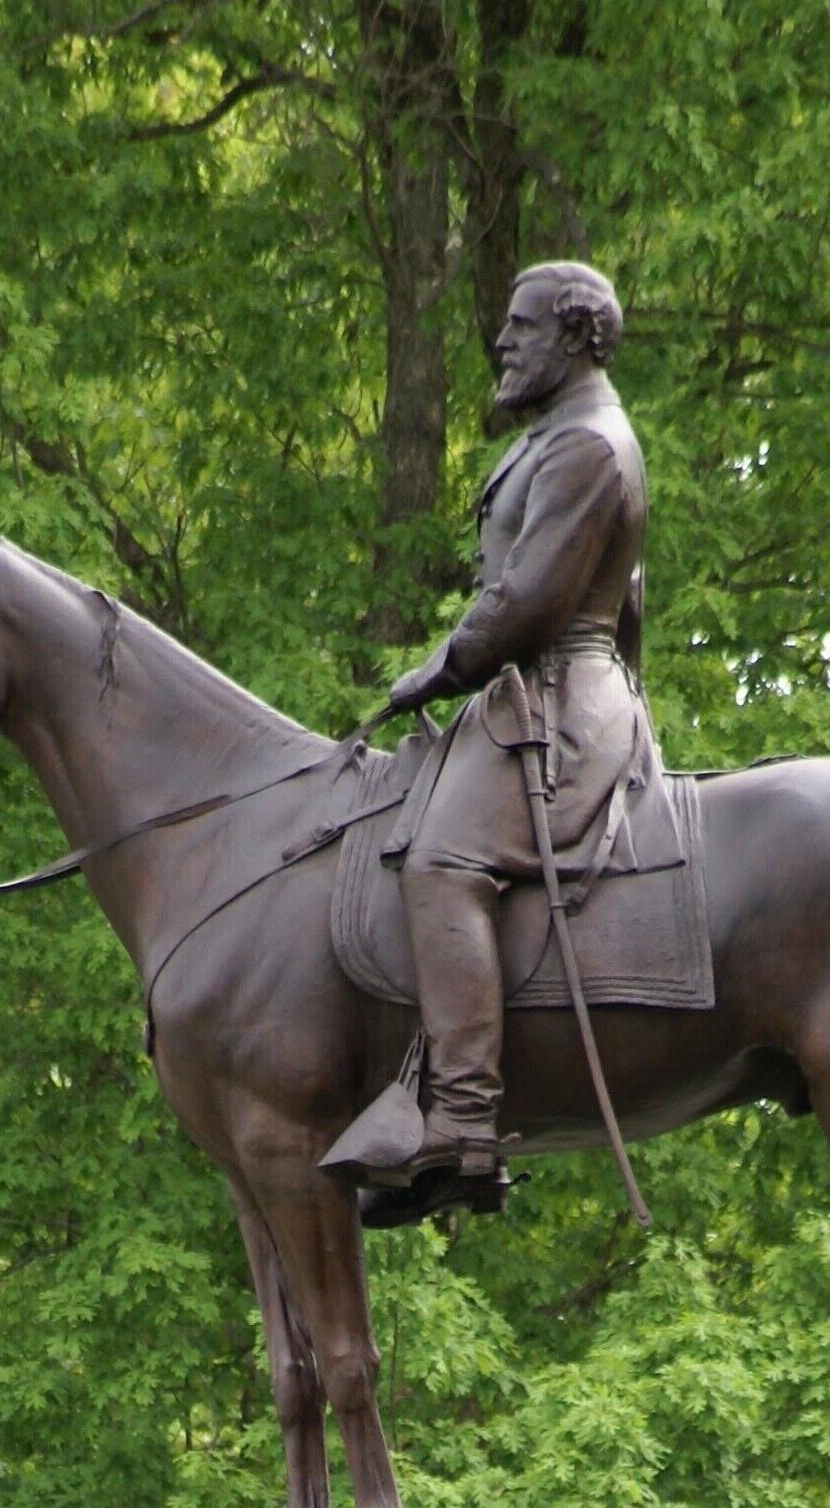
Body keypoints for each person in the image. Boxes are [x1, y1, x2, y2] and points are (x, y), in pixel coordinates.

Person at [328, 259, 649, 1218]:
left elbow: (532, 599)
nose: (502, 342)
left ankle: (463, 1123)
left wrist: (440, 666)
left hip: (560, 702)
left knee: (441, 861)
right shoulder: (557, 436)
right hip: (525, 698)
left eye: (523, 326)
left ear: (577, 336)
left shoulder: (590, 445)